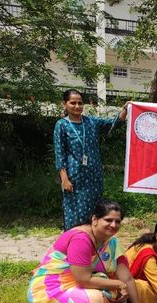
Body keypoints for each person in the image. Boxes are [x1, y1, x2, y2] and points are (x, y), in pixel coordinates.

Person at [27, 200, 150, 303]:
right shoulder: (81, 238)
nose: (113, 225)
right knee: (94, 299)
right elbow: (83, 280)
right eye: (108, 220)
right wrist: (118, 284)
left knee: (116, 293)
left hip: (77, 284)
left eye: (117, 221)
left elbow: (127, 279)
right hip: (49, 289)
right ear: (94, 219)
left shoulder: (111, 242)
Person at [54, 89, 129, 230]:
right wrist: (64, 179)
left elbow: (113, 123)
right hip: (74, 176)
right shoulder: (61, 125)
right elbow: (59, 153)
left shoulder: (90, 122)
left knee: (95, 211)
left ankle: (92, 242)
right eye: (73, 103)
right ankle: (73, 243)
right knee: (75, 211)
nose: (77, 106)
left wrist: (125, 109)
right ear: (64, 104)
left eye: (80, 103)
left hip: (94, 176)